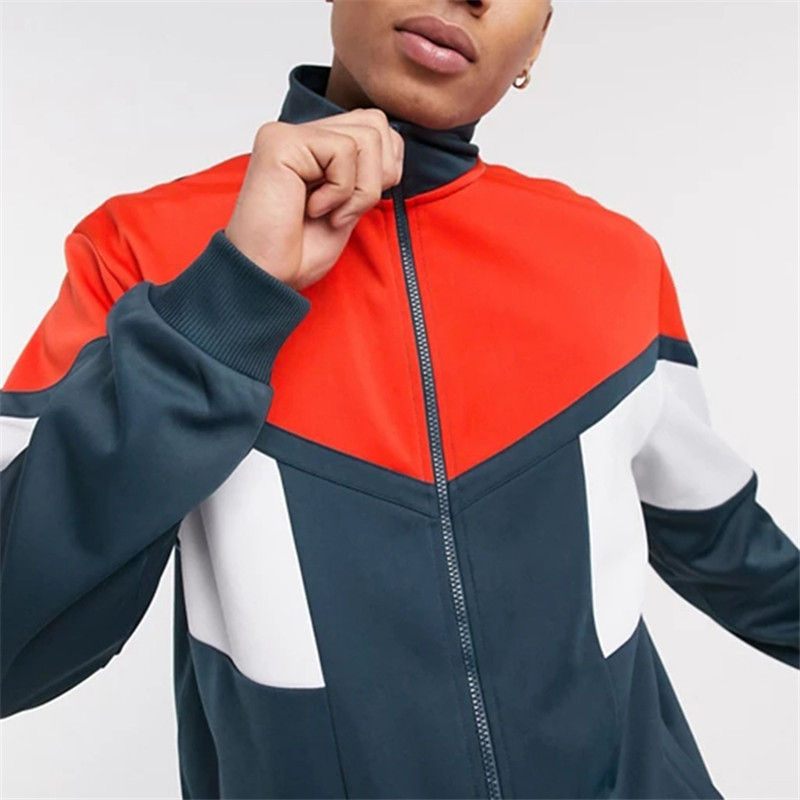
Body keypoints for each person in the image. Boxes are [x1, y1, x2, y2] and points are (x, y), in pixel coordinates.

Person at [1, 1, 797, 798]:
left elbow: (732, 552)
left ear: (535, 46)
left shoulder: (615, 262)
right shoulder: (140, 256)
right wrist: (230, 300)